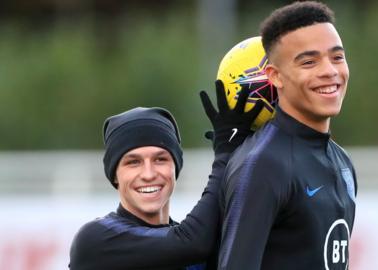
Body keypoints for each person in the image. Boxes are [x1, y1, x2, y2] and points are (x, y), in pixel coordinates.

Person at [218, 1, 358, 270]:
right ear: (275, 77)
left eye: (337, 57)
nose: (329, 71)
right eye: (309, 61)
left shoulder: (343, 162)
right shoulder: (263, 165)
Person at [68, 81, 263, 270]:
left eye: (160, 159)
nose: (148, 174)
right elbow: (191, 243)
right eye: (133, 162)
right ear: (115, 175)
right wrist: (225, 153)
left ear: (175, 167)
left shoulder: (193, 242)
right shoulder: (96, 240)